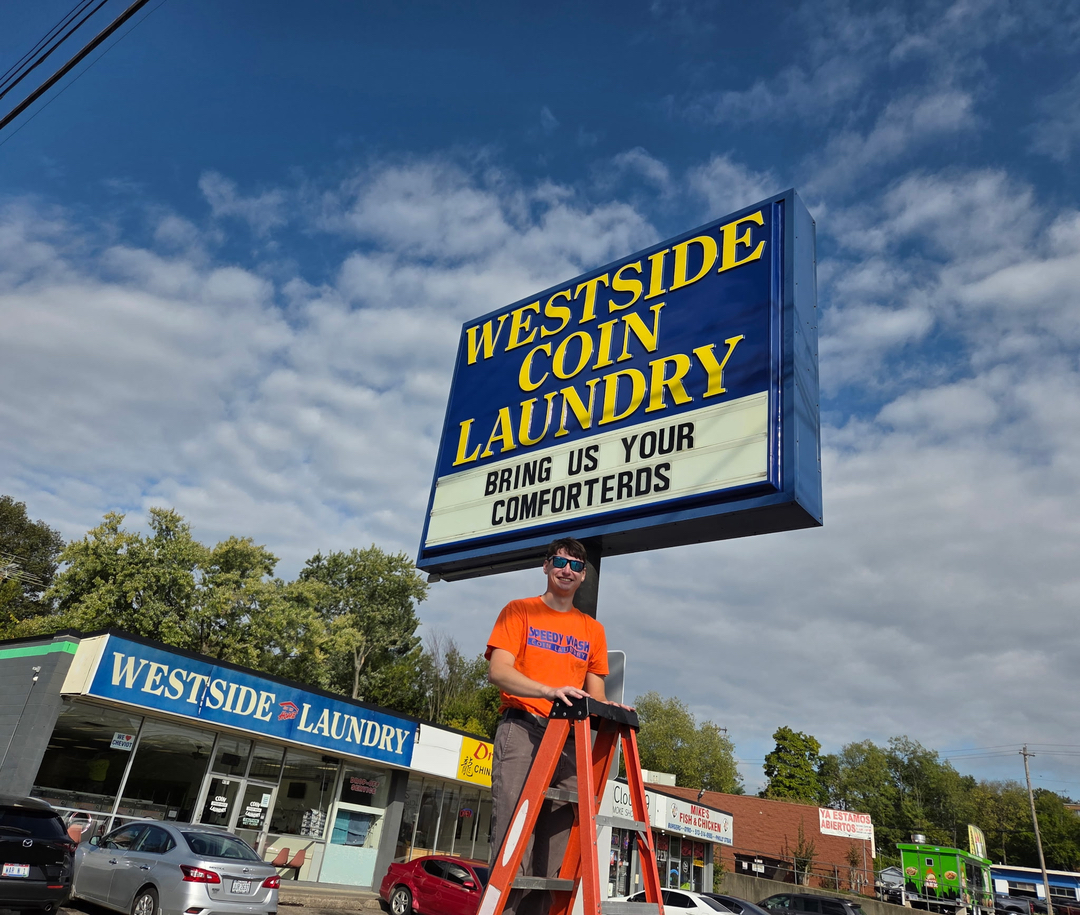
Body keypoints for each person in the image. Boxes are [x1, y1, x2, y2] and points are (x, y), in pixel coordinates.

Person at [485, 536, 612, 915]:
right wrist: (547, 690)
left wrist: (612, 710)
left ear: (584, 574)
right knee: (513, 832)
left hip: (569, 741)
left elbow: (596, 694)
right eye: (559, 562)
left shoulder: (593, 630)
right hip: (523, 728)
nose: (566, 570)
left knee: (558, 841)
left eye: (575, 565)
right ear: (545, 566)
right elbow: (498, 671)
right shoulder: (518, 611)